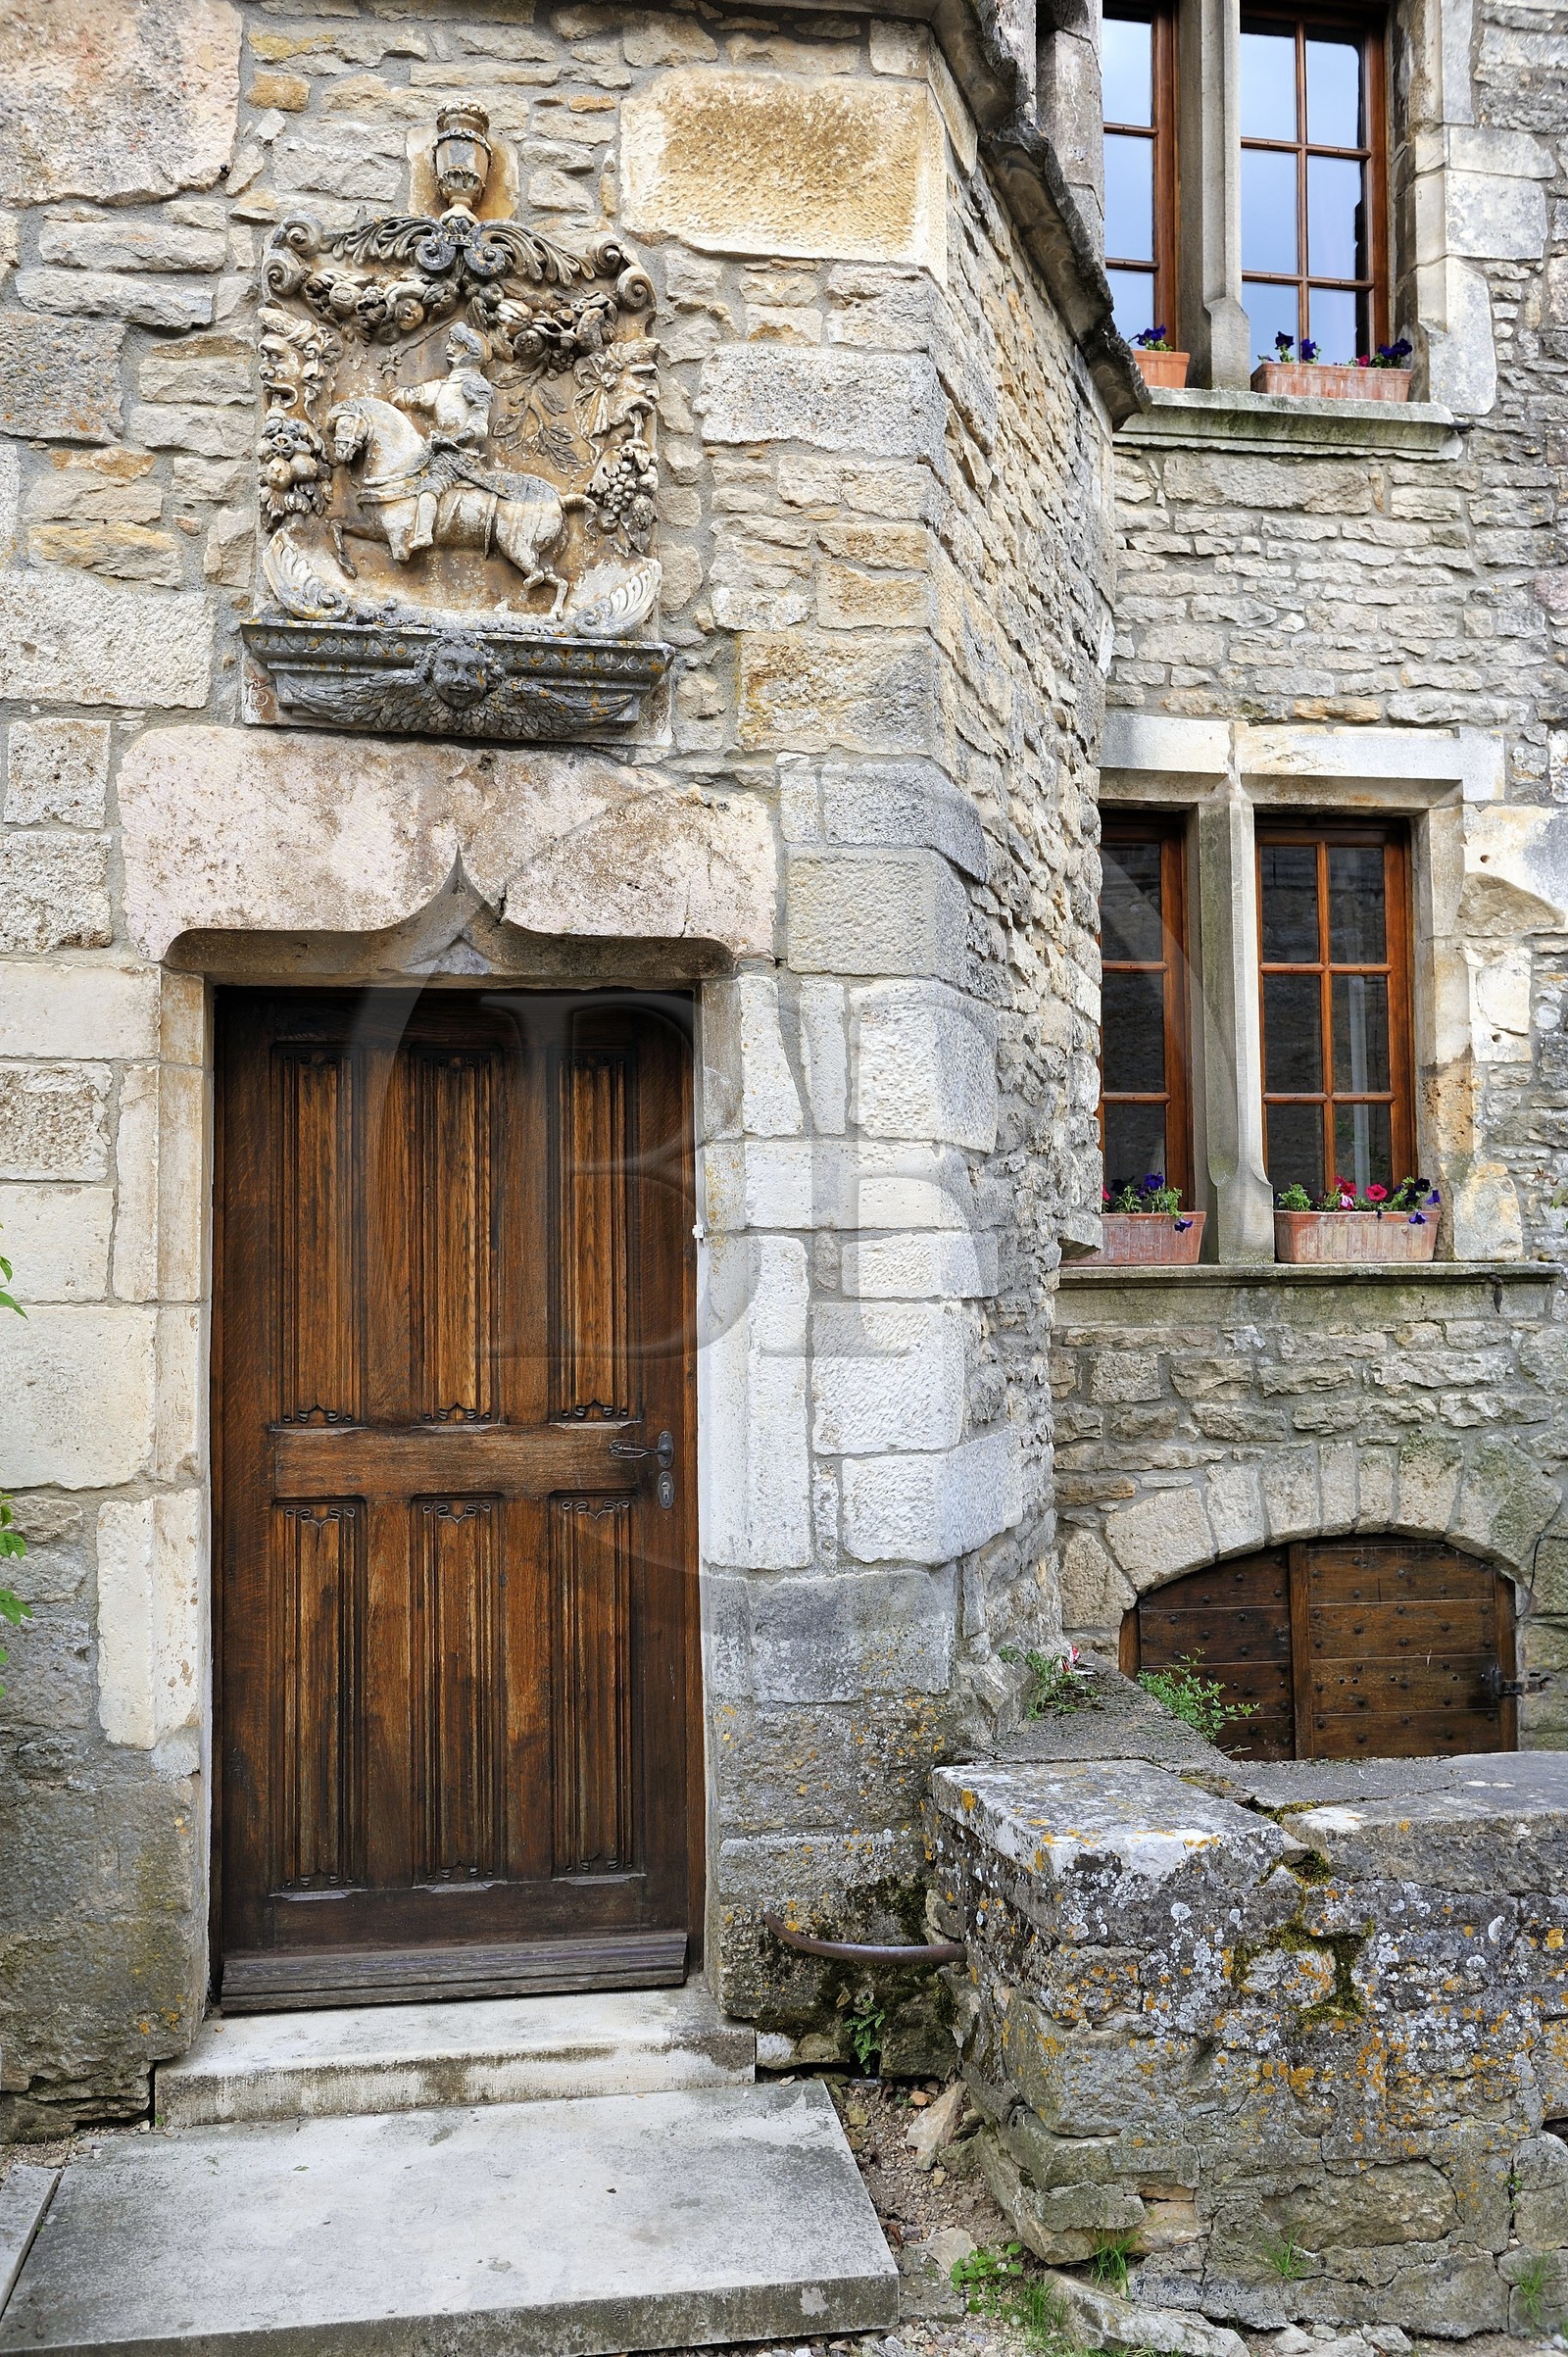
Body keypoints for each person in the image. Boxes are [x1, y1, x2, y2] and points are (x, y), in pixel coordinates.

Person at [394, 323, 495, 552]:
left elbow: (479, 428)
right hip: (436, 449)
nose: (448, 349)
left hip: (458, 455)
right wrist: (390, 374)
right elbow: (408, 398)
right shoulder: (444, 385)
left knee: (430, 485)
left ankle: (422, 534)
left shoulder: (475, 385)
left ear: (469, 351)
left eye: (456, 345)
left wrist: (454, 440)